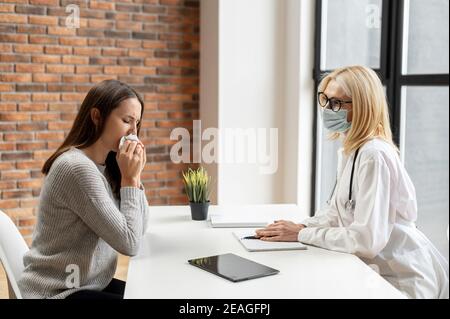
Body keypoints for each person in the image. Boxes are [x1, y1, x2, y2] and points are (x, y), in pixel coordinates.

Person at [256, 66, 449, 299]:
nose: (327, 109)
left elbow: (366, 240)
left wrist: (300, 235)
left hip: (401, 280)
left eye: (336, 103)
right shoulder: (351, 151)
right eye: (324, 99)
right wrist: (299, 228)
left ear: (362, 107)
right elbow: (336, 214)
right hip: (373, 272)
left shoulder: (374, 155)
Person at [18, 80, 149, 299]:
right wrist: (130, 177)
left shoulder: (107, 167)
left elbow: (140, 227)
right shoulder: (77, 169)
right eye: (127, 121)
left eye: (137, 123)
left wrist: (134, 176)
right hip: (58, 292)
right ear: (97, 116)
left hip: (87, 284)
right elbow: (130, 244)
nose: (133, 133)